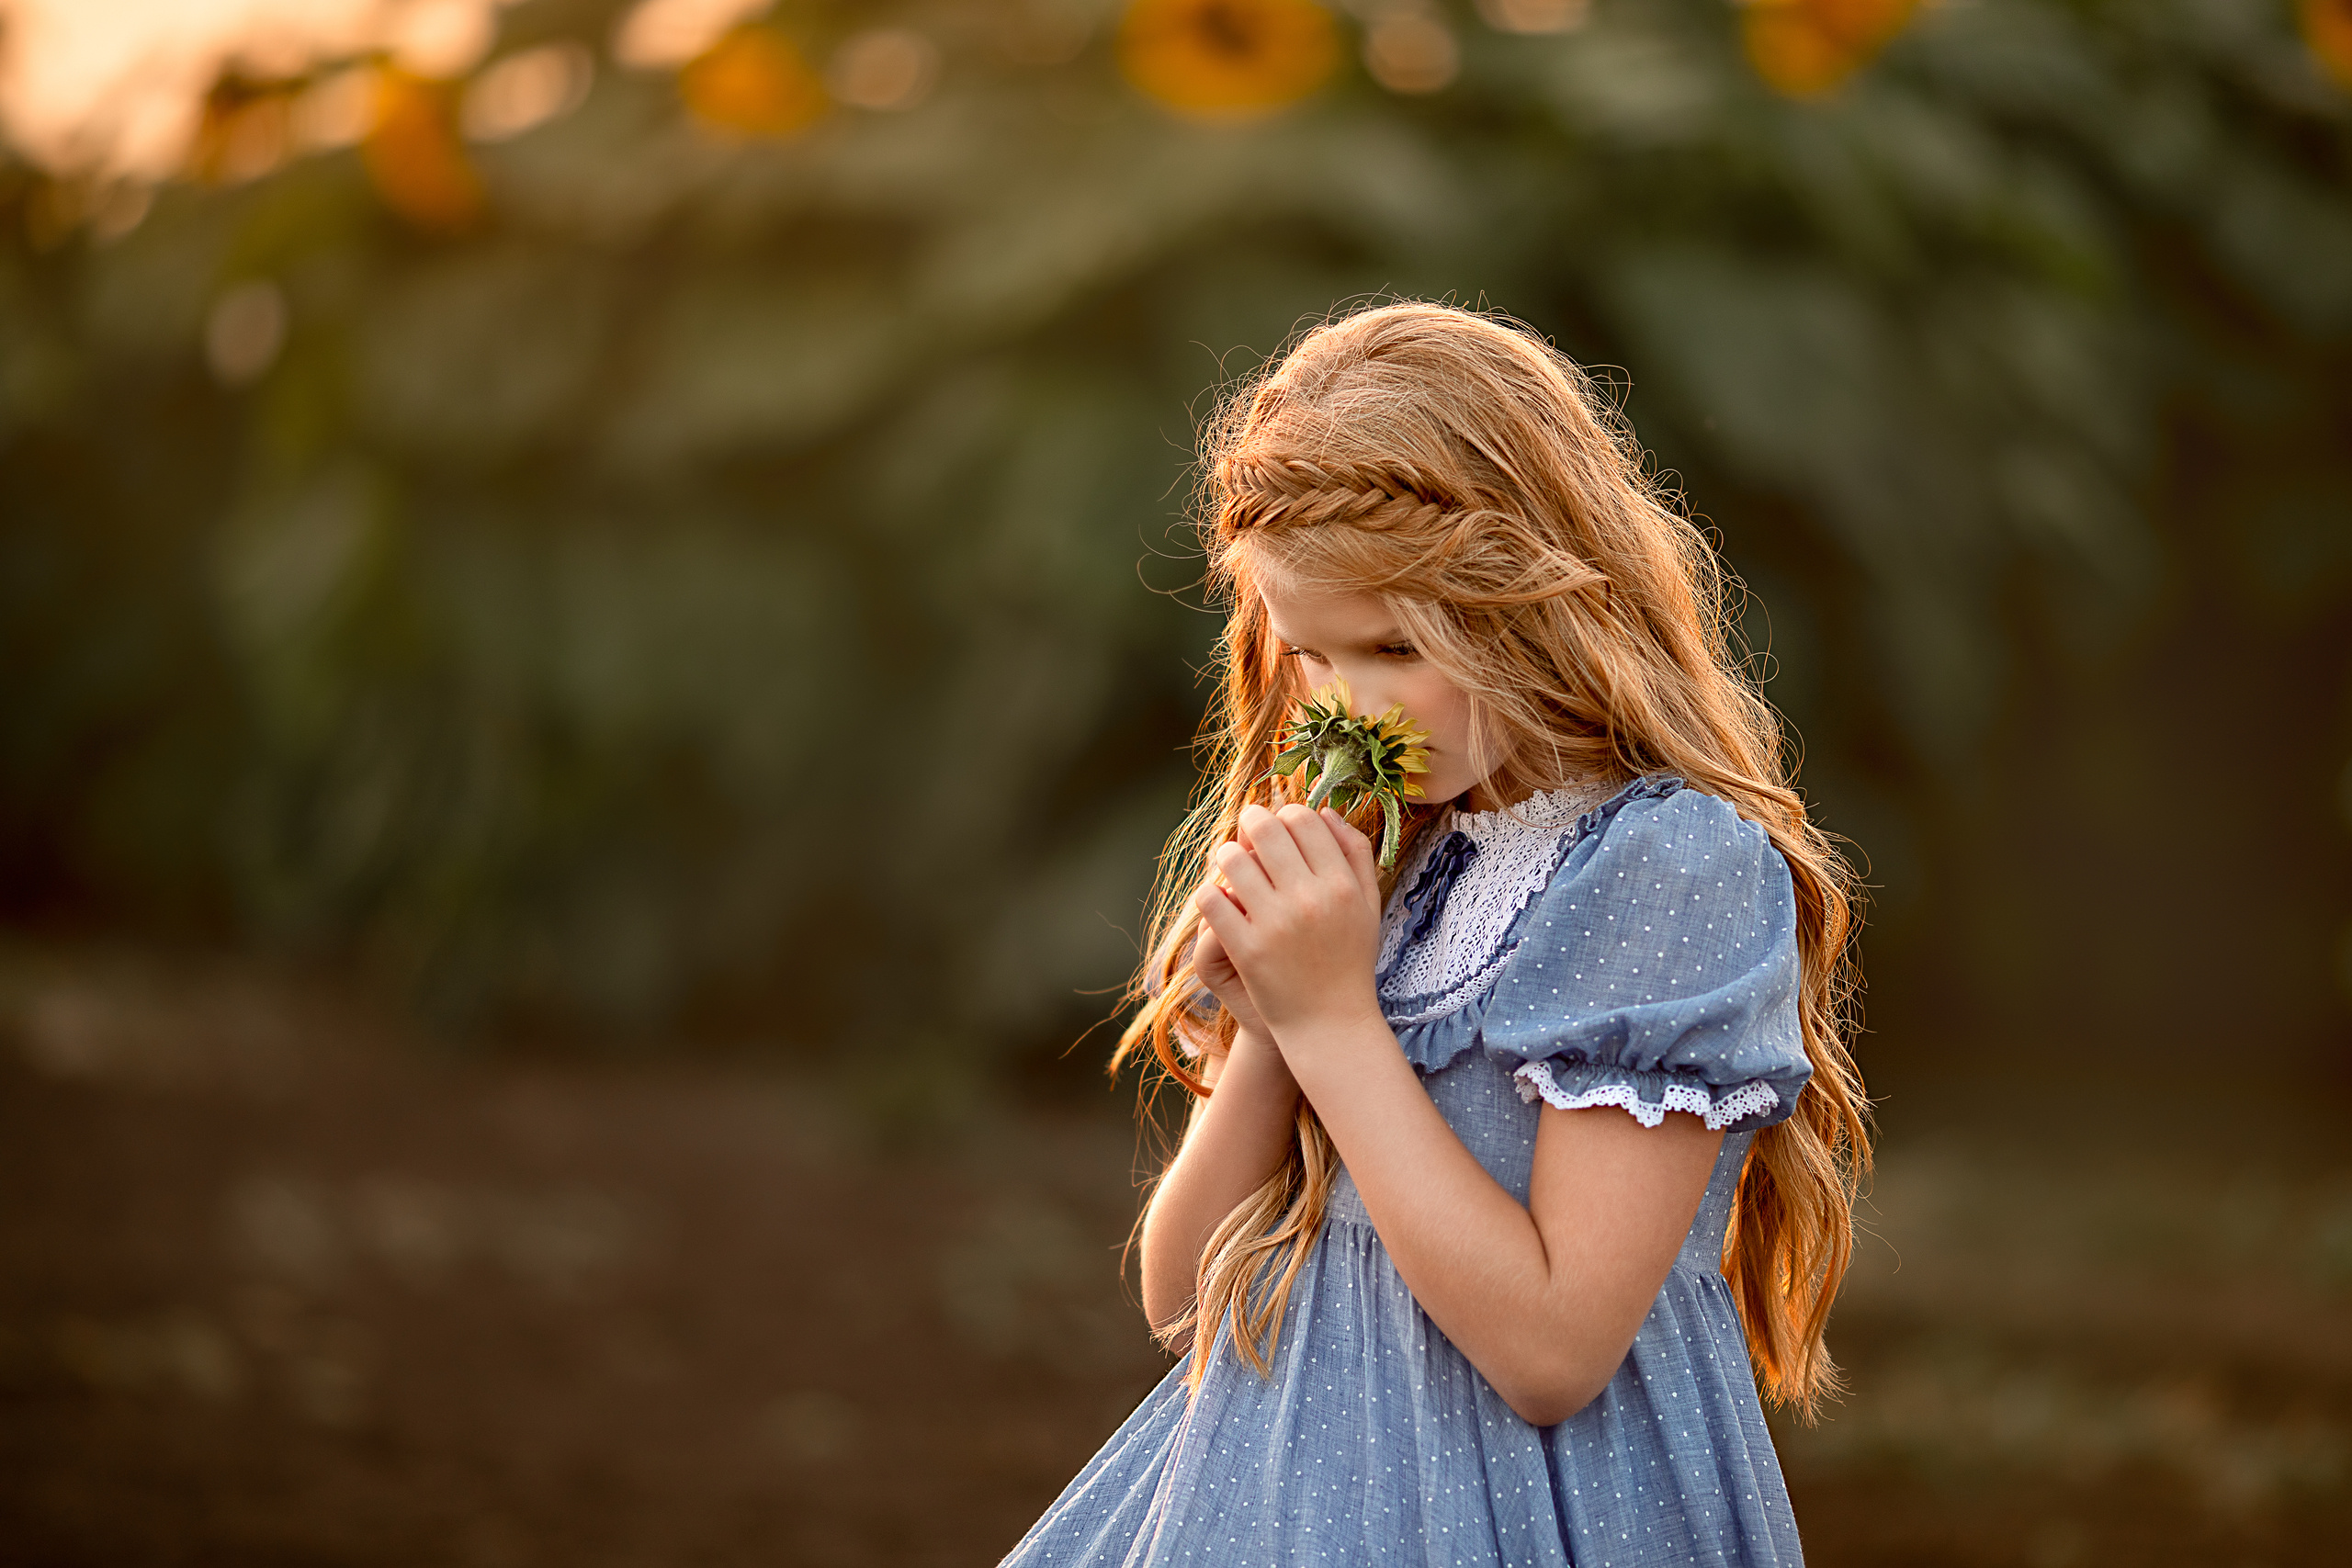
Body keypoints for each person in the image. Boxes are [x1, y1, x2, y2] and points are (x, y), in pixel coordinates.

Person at [1000, 302, 1870, 1566]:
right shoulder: (1392, 852)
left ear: (1536, 593)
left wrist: (1337, 1021)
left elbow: (1554, 1351)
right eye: (1310, 655)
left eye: (1397, 646)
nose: (1349, 709)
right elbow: (1182, 1292)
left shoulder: (1665, 869)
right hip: (1273, 1505)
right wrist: (1277, 1020)